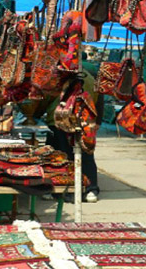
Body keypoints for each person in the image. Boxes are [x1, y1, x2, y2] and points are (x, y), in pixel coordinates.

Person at [43, 68, 101, 203]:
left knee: (63, 156)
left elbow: (46, 98)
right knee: (86, 154)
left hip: (61, 120)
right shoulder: (90, 76)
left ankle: (66, 190)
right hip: (84, 120)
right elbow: (99, 97)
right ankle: (91, 189)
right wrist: (97, 119)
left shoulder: (58, 77)